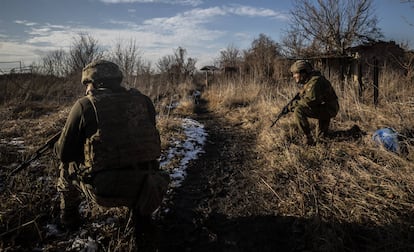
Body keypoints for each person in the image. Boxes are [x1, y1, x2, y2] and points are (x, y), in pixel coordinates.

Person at [54, 60, 167, 249]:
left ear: (94, 83)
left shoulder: (84, 105)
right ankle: (142, 215)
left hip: (106, 189)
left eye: (87, 84)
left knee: (67, 167)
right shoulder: (144, 101)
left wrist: (62, 145)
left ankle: (69, 219)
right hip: (150, 185)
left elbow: (64, 154)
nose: (86, 89)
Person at [287, 60, 339, 145]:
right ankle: (352, 131)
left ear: (303, 72)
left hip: (329, 109)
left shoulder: (315, 81)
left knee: (298, 110)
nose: (294, 76)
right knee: (322, 138)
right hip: (326, 107)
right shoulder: (311, 80)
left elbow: (310, 101)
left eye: (295, 73)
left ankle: (308, 138)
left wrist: (292, 105)